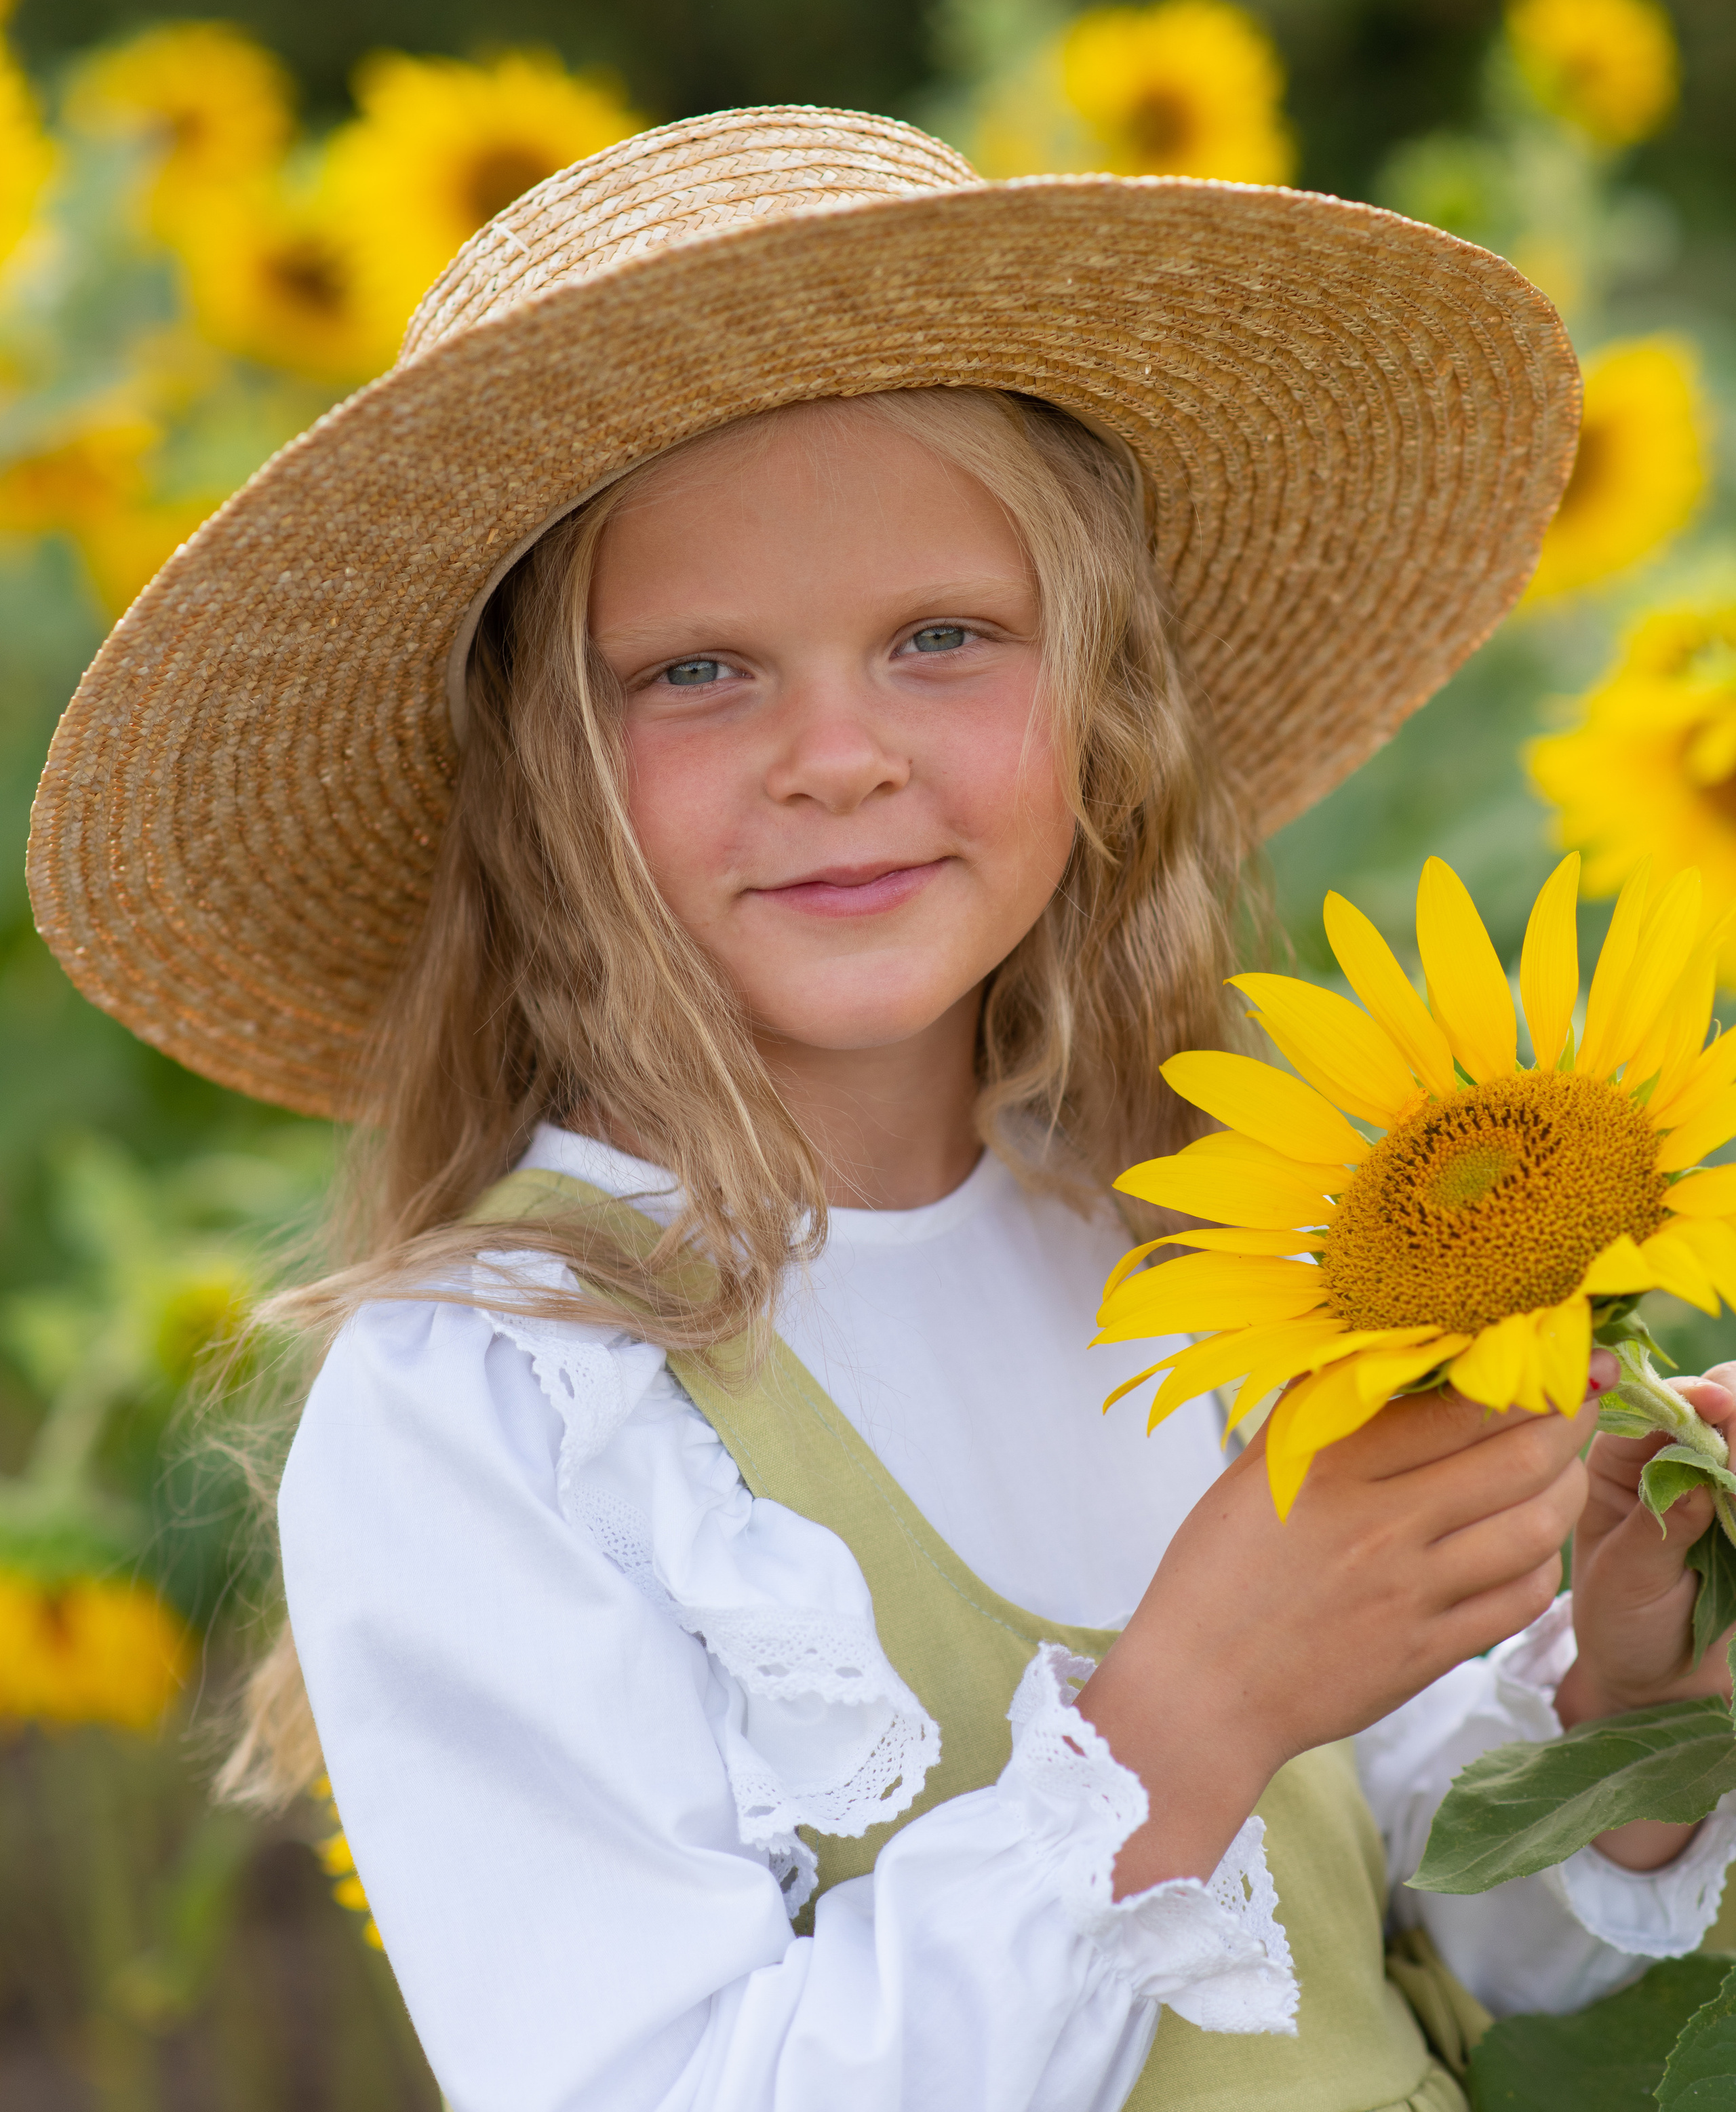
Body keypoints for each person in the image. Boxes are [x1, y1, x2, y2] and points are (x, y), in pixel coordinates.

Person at [28, 106, 1736, 2112]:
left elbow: (1467, 1928)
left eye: (943, 639)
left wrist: (1634, 1687)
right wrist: (1184, 1717)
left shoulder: (1217, 1238)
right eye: (696, 671)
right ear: (538, 782)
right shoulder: (505, 1397)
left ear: (1106, 711)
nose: (837, 756)